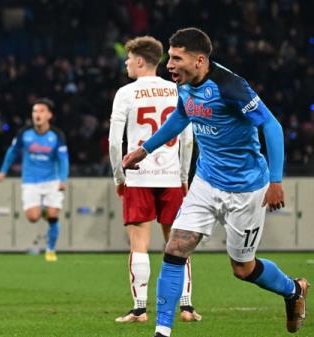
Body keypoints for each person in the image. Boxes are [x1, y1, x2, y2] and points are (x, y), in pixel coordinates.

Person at [121, 27, 309, 337]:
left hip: (247, 188)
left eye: (177, 58)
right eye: (169, 57)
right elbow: (181, 117)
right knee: (176, 248)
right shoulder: (182, 84)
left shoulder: (231, 87)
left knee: (243, 268)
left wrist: (276, 181)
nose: (169, 64)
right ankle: (162, 331)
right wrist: (145, 149)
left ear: (199, 60)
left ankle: (293, 290)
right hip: (206, 181)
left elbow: (272, 126)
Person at [109, 35, 200, 323]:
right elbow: (187, 139)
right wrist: (184, 176)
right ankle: (185, 307)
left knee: (139, 244)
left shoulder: (125, 93)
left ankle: (139, 309)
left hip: (138, 176)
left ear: (139, 61)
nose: (125, 63)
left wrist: (118, 176)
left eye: (128, 59)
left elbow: (114, 142)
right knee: (178, 243)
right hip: (172, 176)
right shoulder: (177, 90)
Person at [0, 98, 69, 262]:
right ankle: (42, 210)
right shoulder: (25, 133)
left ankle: (50, 250)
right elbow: (12, 151)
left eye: (41, 111)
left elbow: (63, 159)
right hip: (30, 181)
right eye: (35, 111)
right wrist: (3, 171)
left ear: (49, 115)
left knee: (52, 215)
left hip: (52, 180)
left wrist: (63, 180)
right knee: (33, 217)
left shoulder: (56, 135)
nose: (37, 114)